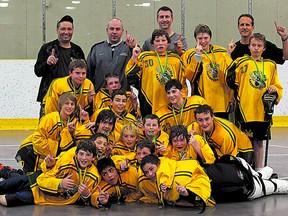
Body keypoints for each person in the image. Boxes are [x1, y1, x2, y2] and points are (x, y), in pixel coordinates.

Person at [225, 33, 283, 170]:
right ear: (249, 47)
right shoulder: (241, 62)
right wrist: (228, 55)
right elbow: (230, 79)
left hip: (262, 111)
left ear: (264, 48)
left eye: (259, 46)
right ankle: (246, 171)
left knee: (259, 143)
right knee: (244, 142)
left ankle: (258, 170)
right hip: (245, 110)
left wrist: (275, 89)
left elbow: (277, 86)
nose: (256, 48)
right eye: (254, 45)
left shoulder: (270, 65)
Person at [0, 139, 100, 207]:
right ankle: (6, 171)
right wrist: (59, 183)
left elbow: (87, 201)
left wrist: (86, 195)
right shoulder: (67, 160)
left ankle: (9, 172)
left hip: (43, 197)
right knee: (7, 185)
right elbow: (44, 177)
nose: (84, 158)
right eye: (81, 154)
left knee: (7, 201)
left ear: (94, 157)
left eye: (88, 155)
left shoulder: (94, 176)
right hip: (36, 181)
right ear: (76, 153)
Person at [16, 92, 88, 176]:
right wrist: (56, 149)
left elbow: (80, 135)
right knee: (30, 181)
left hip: (46, 155)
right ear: (60, 105)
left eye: (72, 104)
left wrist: (84, 121)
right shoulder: (49, 119)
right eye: (66, 103)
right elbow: (37, 140)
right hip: (30, 150)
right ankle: (7, 172)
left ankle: (13, 173)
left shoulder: (73, 121)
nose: (69, 107)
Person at [126, 29, 188, 117]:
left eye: (163, 40)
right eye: (157, 41)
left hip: (170, 102)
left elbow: (182, 83)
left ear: (168, 43)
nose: (160, 43)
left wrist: (182, 99)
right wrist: (134, 57)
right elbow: (130, 76)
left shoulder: (176, 59)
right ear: (152, 44)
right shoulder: (144, 57)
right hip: (148, 102)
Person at [34, 15, 85, 115]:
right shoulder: (47, 48)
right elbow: (38, 71)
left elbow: (84, 74)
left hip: (72, 99)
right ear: (57, 30)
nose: (66, 32)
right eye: (63, 29)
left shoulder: (77, 50)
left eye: (69, 29)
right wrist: (47, 63)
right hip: (49, 97)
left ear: (73, 30)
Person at [182, 24, 234, 120]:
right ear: (195, 39)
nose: (203, 41)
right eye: (199, 38)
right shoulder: (189, 55)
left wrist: (231, 99)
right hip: (201, 102)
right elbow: (189, 78)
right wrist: (197, 57)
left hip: (221, 103)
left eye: (206, 38)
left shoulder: (221, 52)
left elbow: (229, 78)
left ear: (210, 37)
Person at [140, 155, 214, 211]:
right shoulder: (150, 182)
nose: (150, 174)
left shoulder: (168, 168)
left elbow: (199, 181)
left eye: (151, 169)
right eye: (146, 172)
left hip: (212, 176)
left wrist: (188, 193)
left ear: (158, 164)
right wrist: (186, 193)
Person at [204, 155, 288, 203]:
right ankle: (267, 170)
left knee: (275, 186)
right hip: (239, 165)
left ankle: (266, 171)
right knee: (259, 177)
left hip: (250, 185)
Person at [187, 104, 254, 165]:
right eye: (200, 120)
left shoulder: (224, 135)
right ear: (196, 120)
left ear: (213, 117)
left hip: (242, 152)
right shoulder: (193, 127)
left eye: (207, 119)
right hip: (219, 152)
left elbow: (230, 159)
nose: (204, 123)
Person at [87, 18, 136, 93]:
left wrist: (133, 47)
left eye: (118, 29)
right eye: (112, 29)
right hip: (100, 97)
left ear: (122, 31)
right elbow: (89, 73)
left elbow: (140, 64)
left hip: (122, 99)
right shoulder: (96, 49)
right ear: (107, 30)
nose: (114, 32)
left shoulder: (129, 49)